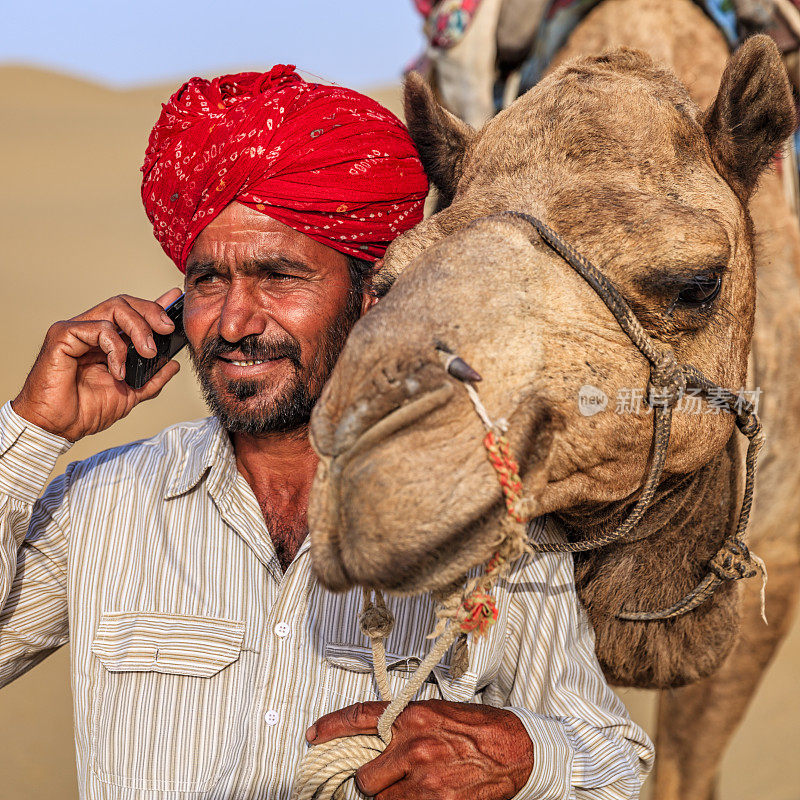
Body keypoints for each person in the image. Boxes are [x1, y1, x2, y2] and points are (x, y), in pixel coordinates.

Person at [0, 65, 653, 798]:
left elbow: (615, 762)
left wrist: (524, 757)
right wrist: (32, 430)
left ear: (371, 295)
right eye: (209, 280)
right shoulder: (105, 504)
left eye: (279, 277)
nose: (235, 322)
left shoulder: (491, 521)